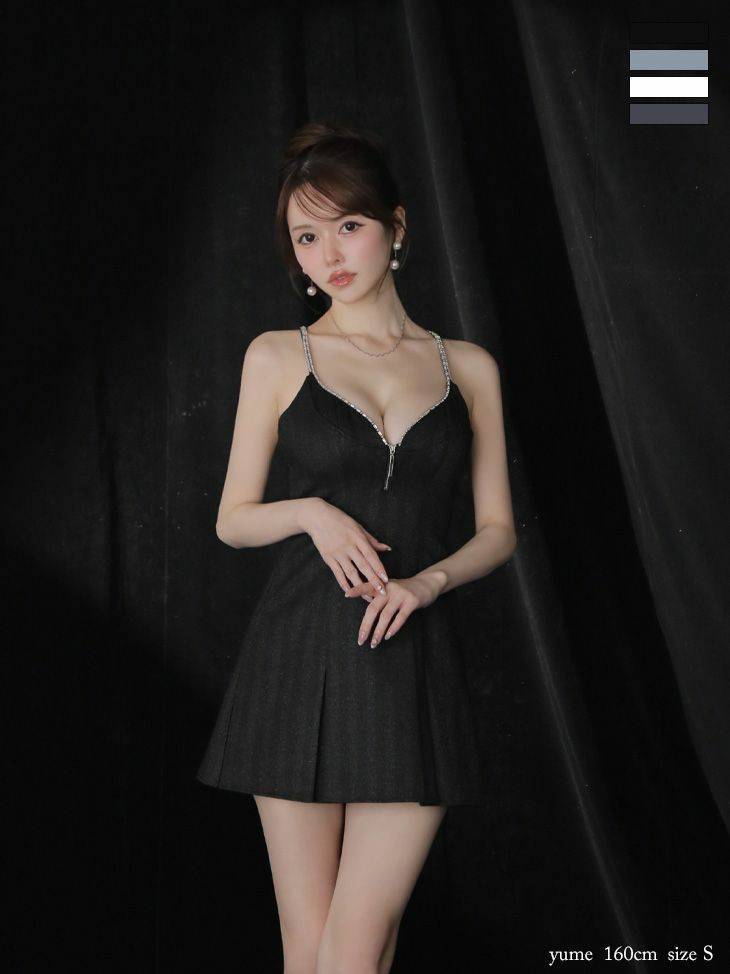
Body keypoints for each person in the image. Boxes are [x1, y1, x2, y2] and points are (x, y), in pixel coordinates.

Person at [196, 121, 517, 974]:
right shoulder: (277, 356)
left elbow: (498, 531)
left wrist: (429, 581)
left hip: (411, 656)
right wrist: (310, 512)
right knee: (310, 953)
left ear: (395, 226)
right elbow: (233, 518)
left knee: (356, 951)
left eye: (348, 225)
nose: (329, 253)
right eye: (306, 237)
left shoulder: (467, 367)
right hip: (295, 656)